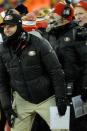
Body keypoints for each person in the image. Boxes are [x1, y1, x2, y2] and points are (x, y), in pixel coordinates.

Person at [0, 12, 67, 131]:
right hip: (22, 99)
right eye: (5, 27)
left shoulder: (39, 43)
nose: (7, 30)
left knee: (62, 129)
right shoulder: (1, 49)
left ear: (19, 26)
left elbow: (56, 71)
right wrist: (7, 107)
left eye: (11, 26)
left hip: (47, 97)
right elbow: (2, 81)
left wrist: (61, 98)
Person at [45, 1, 87, 131]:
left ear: (65, 15)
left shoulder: (78, 33)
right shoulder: (51, 34)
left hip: (76, 89)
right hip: (57, 91)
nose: (51, 17)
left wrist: (86, 86)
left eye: (54, 14)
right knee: (60, 127)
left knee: (78, 126)